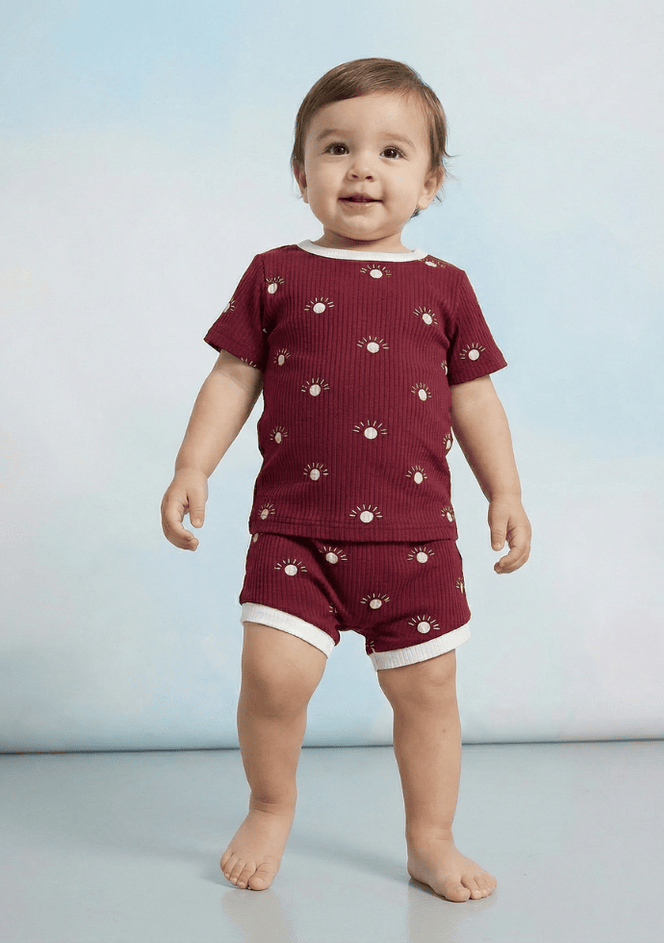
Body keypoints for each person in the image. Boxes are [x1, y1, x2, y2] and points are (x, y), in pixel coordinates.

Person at [161, 57, 531, 903]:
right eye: (336, 148)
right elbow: (232, 377)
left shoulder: (446, 287)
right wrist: (192, 465)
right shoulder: (275, 274)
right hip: (295, 531)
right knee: (273, 677)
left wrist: (504, 492)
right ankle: (269, 804)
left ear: (429, 184)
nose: (362, 168)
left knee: (428, 692)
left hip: (417, 539)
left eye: (392, 152)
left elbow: (476, 400)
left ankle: (431, 837)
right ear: (302, 174)